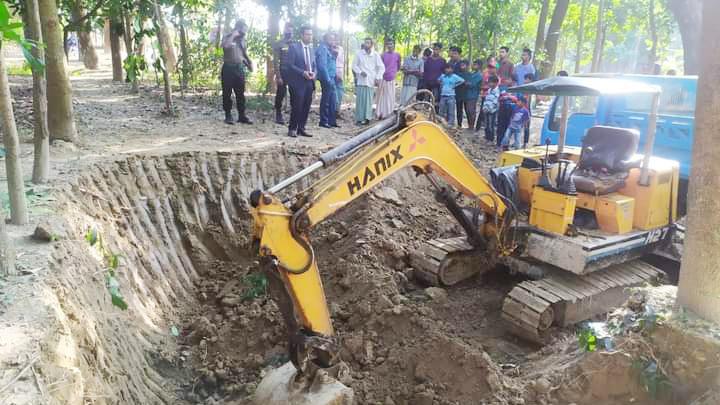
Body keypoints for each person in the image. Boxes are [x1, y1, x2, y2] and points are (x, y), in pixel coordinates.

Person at [286, 25, 316, 138]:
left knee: (306, 106)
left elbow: (314, 65)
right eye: (308, 34)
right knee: (297, 105)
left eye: (311, 34)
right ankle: (292, 128)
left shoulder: (312, 49)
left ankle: (301, 128)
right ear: (302, 35)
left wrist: (314, 73)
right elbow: (290, 65)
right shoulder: (294, 47)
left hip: (309, 82)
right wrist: (303, 72)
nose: (310, 37)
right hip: (297, 82)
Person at [221, 20, 254, 125]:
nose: (244, 33)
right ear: (237, 29)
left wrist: (248, 63)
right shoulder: (227, 36)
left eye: (246, 31)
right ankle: (228, 115)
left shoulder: (243, 40)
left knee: (240, 94)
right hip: (228, 69)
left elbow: (242, 54)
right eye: (243, 30)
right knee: (227, 93)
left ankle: (242, 115)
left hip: (239, 69)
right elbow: (225, 46)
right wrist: (233, 35)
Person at [352, 38, 385, 126]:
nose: (366, 44)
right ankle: (359, 119)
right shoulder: (359, 54)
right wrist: (359, 72)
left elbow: (381, 67)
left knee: (368, 101)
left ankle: (367, 118)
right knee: (360, 100)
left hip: (371, 80)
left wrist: (378, 77)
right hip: (361, 81)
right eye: (365, 42)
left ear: (371, 44)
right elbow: (354, 65)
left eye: (368, 43)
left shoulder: (375, 55)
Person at [272, 23, 295, 124]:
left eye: (291, 31)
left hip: (294, 72)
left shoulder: (295, 44)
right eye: (287, 30)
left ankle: (293, 115)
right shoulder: (279, 44)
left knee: (295, 93)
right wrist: (278, 75)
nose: (289, 32)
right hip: (283, 71)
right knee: (280, 93)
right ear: (284, 31)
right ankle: (278, 113)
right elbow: (276, 61)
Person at [316, 32, 339, 129]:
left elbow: (332, 63)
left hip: (332, 77)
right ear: (325, 39)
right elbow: (322, 66)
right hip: (326, 78)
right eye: (330, 39)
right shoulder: (323, 48)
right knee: (326, 100)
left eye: (334, 39)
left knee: (333, 100)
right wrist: (328, 79)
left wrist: (335, 55)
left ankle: (332, 121)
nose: (332, 41)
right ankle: (323, 121)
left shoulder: (330, 50)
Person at [376, 39, 401, 119]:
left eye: (391, 44)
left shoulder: (397, 55)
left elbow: (398, 66)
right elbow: (379, 67)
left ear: (394, 45)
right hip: (383, 79)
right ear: (386, 45)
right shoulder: (383, 55)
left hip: (391, 79)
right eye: (388, 44)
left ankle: (389, 114)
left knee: (390, 97)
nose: (390, 46)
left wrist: (393, 73)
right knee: (382, 97)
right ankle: (381, 113)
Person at [421, 43, 446, 110]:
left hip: (436, 84)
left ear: (440, 50)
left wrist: (441, 81)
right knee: (426, 100)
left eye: (437, 49)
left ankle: (435, 116)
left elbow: (444, 73)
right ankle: (425, 114)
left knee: (436, 100)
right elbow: (424, 70)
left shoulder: (442, 60)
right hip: (427, 83)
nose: (435, 51)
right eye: (434, 49)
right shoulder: (428, 59)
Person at [459, 60, 482, 130]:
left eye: (475, 65)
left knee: (471, 110)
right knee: (468, 111)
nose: (473, 66)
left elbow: (472, 84)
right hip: (468, 94)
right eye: (473, 64)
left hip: (473, 95)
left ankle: (472, 126)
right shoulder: (472, 74)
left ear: (479, 66)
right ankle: (470, 125)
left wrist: (466, 83)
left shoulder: (479, 75)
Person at [476, 56, 497, 132]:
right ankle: (478, 128)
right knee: (483, 111)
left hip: (493, 96)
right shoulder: (485, 72)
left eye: (494, 61)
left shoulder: (496, 72)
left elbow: (497, 66)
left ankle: (490, 131)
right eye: (491, 60)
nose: (492, 62)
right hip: (486, 95)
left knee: (492, 112)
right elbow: (483, 84)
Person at [448, 47, 464, 125]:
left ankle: (459, 124)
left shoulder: (462, 63)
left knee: (459, 107)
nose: (453, 55)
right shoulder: (450, 63)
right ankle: (449, 122)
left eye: (455, 54)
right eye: (453, 53)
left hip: (459, 88)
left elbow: (463, 75)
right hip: (450, 88)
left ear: (459, 55)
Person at [482, 75, 500, 142]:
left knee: (491, 125)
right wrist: (484, 107)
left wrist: (490, 108)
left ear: (495, 83)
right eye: (489, 82)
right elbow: (486, 100)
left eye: (491, 82)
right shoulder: (489, 90)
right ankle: (487, 137)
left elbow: (495, 102)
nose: (489, 84)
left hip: (492, 111)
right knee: (486, 124)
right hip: (486, 109)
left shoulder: (497, 91)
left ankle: (491, 139)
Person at [521, 72, 535, 147]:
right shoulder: (525, 88)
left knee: (526, 127)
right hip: (524, 109)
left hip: (527, 110)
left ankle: (525, 143)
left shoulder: (532, 89)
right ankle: (522, 142)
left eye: (526, 79)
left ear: (530, 80)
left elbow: (530, 102)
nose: (524, 80)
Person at [334, 42, 345, 118]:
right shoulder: (329, 48)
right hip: (333, 73)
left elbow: (342, 62)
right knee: (334, 94)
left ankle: (337, 111)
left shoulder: (341, 49)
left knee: (340, 93)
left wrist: (341, 74)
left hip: (340, 73)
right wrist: (335, 73)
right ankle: (333, 112)